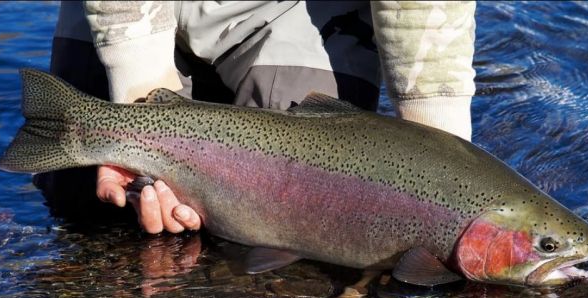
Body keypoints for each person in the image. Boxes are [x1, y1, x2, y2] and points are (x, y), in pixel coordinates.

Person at [35, 1, 477, 234]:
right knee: (81, 205)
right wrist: (137, 108)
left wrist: (445, 175)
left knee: (300, 214)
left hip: (298, 10)